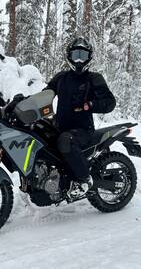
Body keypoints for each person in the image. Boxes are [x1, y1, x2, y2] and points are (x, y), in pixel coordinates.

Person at [45, 37, 116, 198]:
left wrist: (90, 105)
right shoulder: (61, 78)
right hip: (60, 126)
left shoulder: (94, 78)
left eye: (82, 56)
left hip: (83, 130)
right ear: (69, 56)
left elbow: (110, 102)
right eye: (75, 54)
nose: (78, 60)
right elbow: (45, 94)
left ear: (89, 58)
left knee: (65, 140)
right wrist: (23, 101)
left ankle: (84, 180)